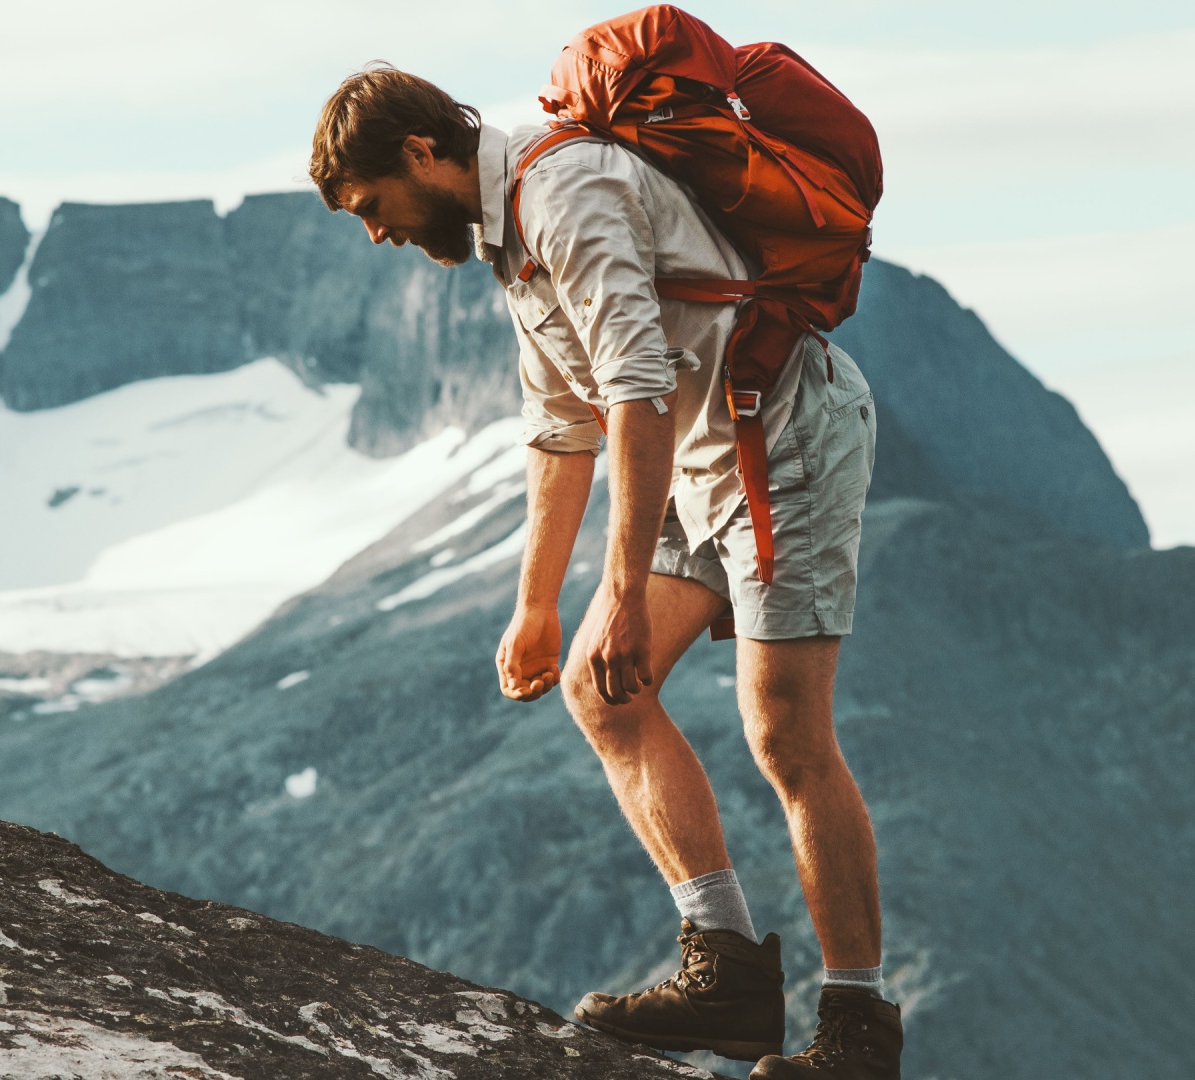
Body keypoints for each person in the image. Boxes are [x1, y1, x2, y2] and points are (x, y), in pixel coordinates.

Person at [309, 65, 900, 1080]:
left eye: (374, 208)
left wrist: (621, 594)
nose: (379, 235)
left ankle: (856, 1033)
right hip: (703, 462)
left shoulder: (567, 192)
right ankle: (727, 970)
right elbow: (562, 428)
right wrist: (537, 607)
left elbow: (634, 394)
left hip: (786, 439)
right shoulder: (510, 241)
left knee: (785, 729)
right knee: (599, 690)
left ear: (420, 154)